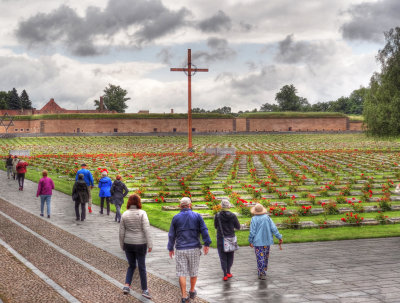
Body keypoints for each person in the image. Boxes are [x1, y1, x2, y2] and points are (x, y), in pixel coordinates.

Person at [168, 197, 211, 303]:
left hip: (181, 248)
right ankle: (192, 290)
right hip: (194, 248)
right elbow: (204, 230)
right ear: (190, 205)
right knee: (193, 271)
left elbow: (171, 234)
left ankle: (183, 295)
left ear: (180, 206)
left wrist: (170, 247)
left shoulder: (176, 217)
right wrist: (207, 243)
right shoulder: (197, 216)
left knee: (181, 272)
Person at [119, 194, 152, 299]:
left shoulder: (124, 214)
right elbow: (146, 229)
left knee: (131, 265)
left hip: (128, 243)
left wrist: (122, 245)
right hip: (140, 243)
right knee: (142, 267)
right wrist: (150, 244)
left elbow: (121, 232)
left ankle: (126, 285)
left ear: (129, 202)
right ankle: (145, 290)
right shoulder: (142, 213)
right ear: (139, 202)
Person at [248, 203, 283, 280]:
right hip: (267, 241)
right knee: (265, 256)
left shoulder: (254, 219)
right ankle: (263, 270)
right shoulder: (267, 218)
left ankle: (261, 272)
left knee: (259, 257)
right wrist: (279, 237)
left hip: (258, 242)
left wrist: (250, 240)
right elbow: (274, 228)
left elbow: (252, 232)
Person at [214, 198, 241, 281]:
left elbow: (215, 226)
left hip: (220, 238)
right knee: (230, 256)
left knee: (222, 257)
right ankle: (229, 271)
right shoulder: (233, 215)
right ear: (228, 206)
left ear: (221, 206)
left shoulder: (217, 215)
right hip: (231, 238)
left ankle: (225, 274)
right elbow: (238, 227)